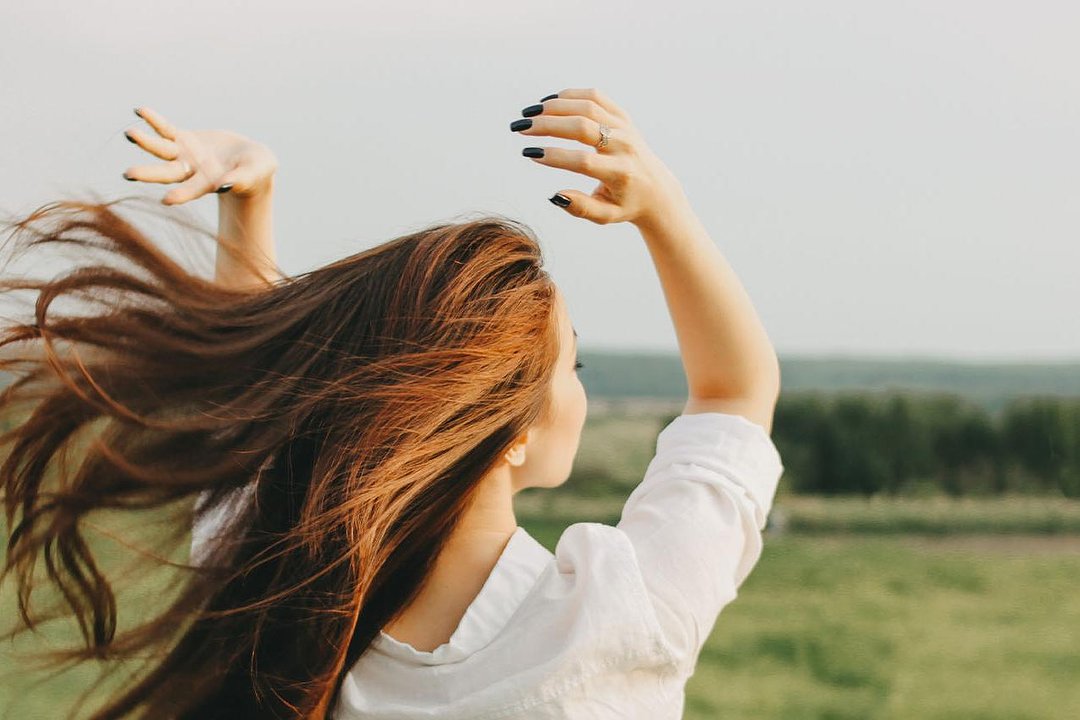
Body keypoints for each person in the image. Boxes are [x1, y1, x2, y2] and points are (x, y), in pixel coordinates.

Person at [0, 88, 783, 719]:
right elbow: (734, 393)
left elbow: (258, 430)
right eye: (570, 365)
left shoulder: (284, 593)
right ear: (506, 427)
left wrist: (250, 201)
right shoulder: (616, 618)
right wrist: (664, 207)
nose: (580, 384)